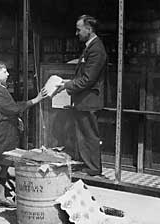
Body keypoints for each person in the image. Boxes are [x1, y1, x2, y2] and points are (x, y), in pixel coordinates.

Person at [0, 60, 47, 214]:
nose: (7, 74)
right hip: (2, 131)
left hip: (9, 129)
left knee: (6, 163)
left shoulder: (0, 88)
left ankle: (1, 196)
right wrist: (35, 100)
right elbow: (11, 108)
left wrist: (16, 119)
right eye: (4, 71)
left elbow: (6, 110)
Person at [56, 15, 107, 176]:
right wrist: (68, 82)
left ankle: (93, 168)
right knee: (83, 133)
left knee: (89, 134)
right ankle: (87, 165)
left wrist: (66, 85)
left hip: (89, 100)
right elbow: (84, 75)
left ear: (89, 29)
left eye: (79, 29)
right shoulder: (90, 47)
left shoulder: (96, 50)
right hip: (84, 99)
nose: (76, 33)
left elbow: (87, 79)